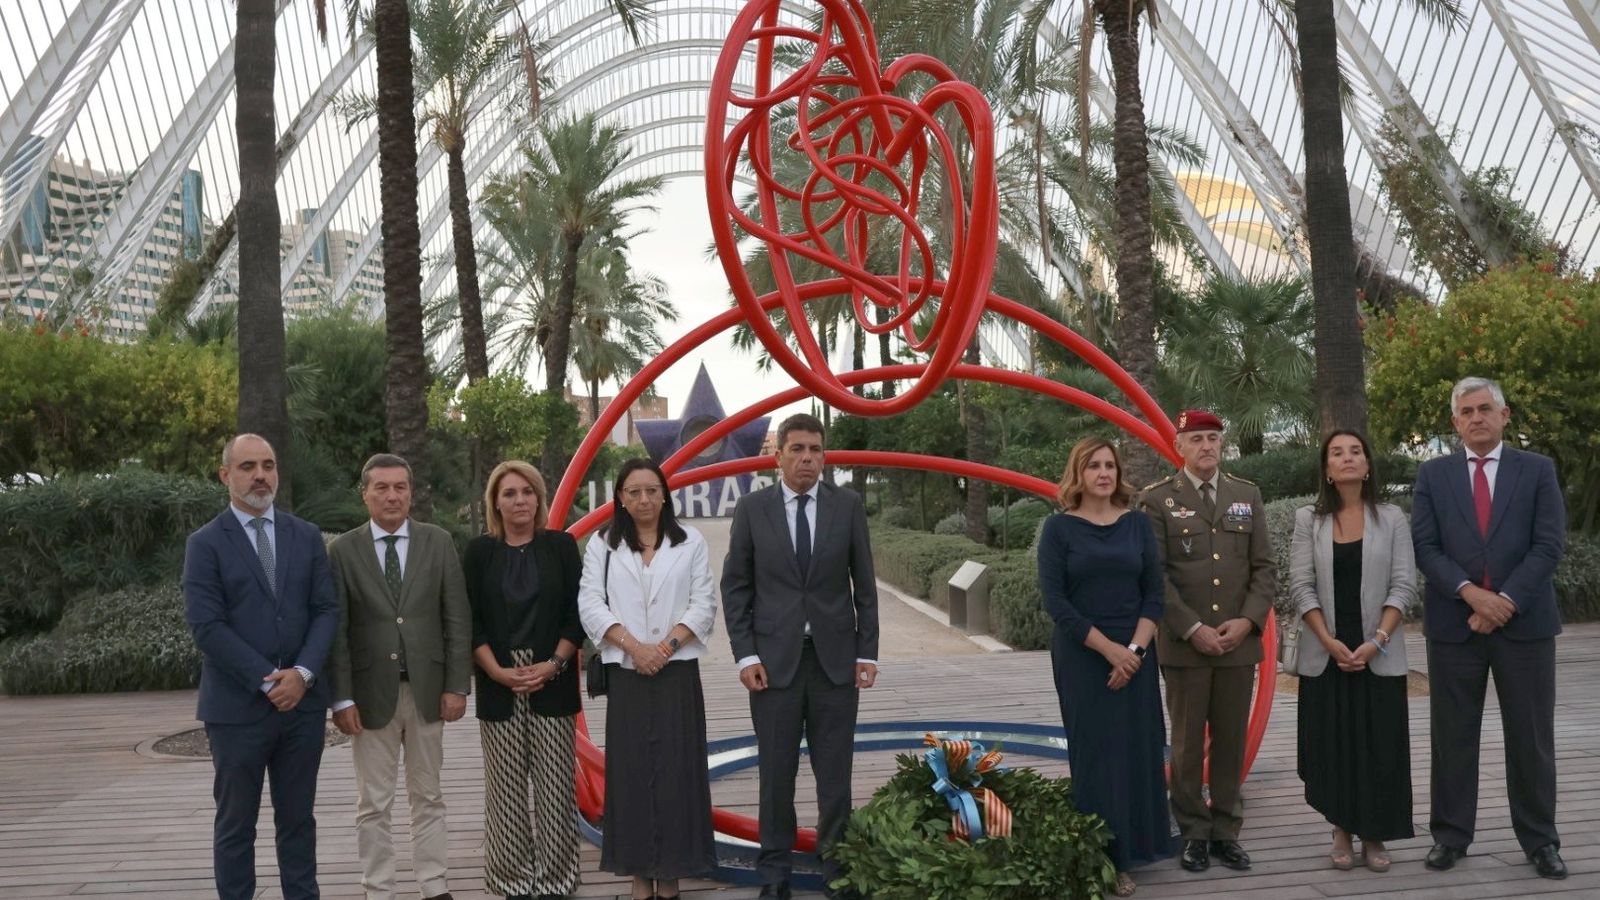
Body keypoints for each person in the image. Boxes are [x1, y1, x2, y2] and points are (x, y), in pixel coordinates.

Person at [1412, 376, 1567, 879]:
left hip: (1525, 626)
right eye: (1466, 412)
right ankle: (1451, 837)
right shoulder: (1433, 476)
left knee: (1531, 737)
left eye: (1485, 409)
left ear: (1504, 416)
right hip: (1455, 626)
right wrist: (1470, 594)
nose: (1476, 418)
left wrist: (1504, 601)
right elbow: (1426, 547)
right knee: (1453, 737)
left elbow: (1548, 545)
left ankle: (1541, 841)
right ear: (1455, 422)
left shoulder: (1537, 470)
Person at [722, 413, 879, 900]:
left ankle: (838, 870)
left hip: (835, 663)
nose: (806, 458)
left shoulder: (847, 506)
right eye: (797, 449)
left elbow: (865, 586)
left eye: (814, 449)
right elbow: (736, 587)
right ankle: (775, 876)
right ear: (779, 456)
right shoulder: (752, 509)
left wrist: (867, 652)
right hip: (773, 666)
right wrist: (746, 657)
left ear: (824, 455)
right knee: (775, 776)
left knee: (836, 778)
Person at [182, 433, 339, 900]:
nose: (260, 475)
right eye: (248, 466)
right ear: (225, 475)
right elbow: (206, 626)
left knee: (298, 821)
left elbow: (326, 610)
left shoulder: (306, 535)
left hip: (302, 709)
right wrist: (268, 680)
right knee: (235, 825)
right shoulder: (205, 544)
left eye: (268, 465)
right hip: (236, 711)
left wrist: (303, 675)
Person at [327, 453, 472, 900]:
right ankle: (379, 889)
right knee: (374, 802)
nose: (392, 495)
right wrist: (342, 698)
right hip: (370, 698)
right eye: (382, 488)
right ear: (365, 493)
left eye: (400, 487)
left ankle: (434, 885)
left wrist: (456, 685)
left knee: (428, 795)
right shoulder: (343, 551)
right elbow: (337, 631)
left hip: (429, 691)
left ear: (411, 492)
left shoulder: (438, 542)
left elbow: (457, 618)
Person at [1137, 409, 1274, 875]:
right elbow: (1154, 576)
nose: (1206, 446)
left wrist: (1247, 622)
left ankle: (1225, 831)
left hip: (1238, 643)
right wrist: (1192, 628)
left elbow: (1264, 569)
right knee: (1189, 742)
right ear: (1179, 446)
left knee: (1232, 740)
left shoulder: (1246, 495)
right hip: (1184, 645)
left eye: (1213, 438)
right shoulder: (1157, 500)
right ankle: (1194, 832)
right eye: (1196, 439)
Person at [1039, 438, 1176, 897]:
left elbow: (1153, 594)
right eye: (1094, 466)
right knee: (1096, 754)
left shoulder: (1137, 524)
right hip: (1083, 655)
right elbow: (1056, 602)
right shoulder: (1058, 529)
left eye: (1110, 466)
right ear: (1077, 474)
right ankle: (1106, 858)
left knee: (1139, 746)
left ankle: (1142, 846)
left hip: (1136, 650)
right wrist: (1108, 651)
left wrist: (1133, 653)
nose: (1104, 473)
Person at [578, 459, 718, 900]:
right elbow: (590, 603)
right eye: (634, 491)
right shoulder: (603, 545)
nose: (643, 499)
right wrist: (636, 649)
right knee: (632, 773)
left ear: (664, 495)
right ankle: (640, 877)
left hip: (676, 672)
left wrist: (664, 650)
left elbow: (703, 602)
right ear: (620, 497)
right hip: (627, 674)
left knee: (678, 772)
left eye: (651, 491)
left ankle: (672, 874)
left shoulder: (689, 541)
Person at [1289, 430, 1416, 873]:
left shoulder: (1392, 518)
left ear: (1367, 465)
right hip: (1327, 652)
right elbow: (1300, 585)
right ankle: (1341, 828)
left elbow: (1404, 585)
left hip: (1376, 651)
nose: (1347, 459)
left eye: (1355, 452)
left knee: (1380, 745)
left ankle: (1375, 833)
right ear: (1326, 467)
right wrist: (1327, 640)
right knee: (1333, 745)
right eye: (1337, 453)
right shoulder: (1310, 519)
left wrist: (1375, 641)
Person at [463, 461, 585, 900]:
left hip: (553, 675)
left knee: (554, 789)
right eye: (510, 493)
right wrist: (494, 670)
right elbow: (469, 621)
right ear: (495, 501)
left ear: (539, 498)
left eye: (527, 492)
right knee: (506, 789)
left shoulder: (562, 547)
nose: (520, 500)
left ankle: (556, 881)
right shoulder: (478, 553)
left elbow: (577, 616)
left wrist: (554, 664)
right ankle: (511, 879)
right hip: (497, 679)